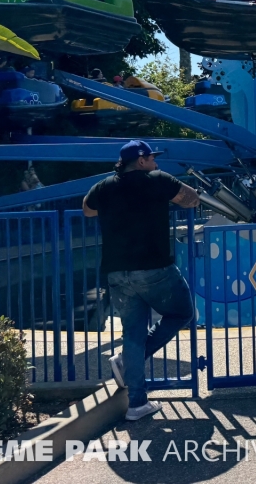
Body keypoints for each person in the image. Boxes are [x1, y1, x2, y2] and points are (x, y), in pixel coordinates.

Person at [83, 141, 200, 422]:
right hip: (153, 267)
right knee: (183, 313)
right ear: (142, 161)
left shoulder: (105, 186)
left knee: (133, 332)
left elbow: (87, 209)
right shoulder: (157, 180)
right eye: (152, 158)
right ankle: (127, 364)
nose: (156, 162)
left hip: (116, 271)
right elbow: (192, 198)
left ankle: (137, 403)